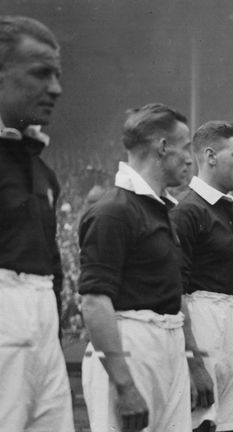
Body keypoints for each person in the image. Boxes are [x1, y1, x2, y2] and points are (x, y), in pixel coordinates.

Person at [78, 103, 194, 432]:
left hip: (166, 345)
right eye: (185, 147)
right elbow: (94, 301)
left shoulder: (158, 209)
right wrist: (124, 386)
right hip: (131, 347)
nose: (189, 158)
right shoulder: (113, 210)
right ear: (162, 146)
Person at [0, 15, 73, 432]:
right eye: (41, 73)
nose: (56, 89)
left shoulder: (42, 171)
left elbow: (55, 268)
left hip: (44, 336)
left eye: (58, 75)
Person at [169, 121, 233, 432]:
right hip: (200, 326)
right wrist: (193, 363)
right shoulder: (187, 212)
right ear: (209, 156)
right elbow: (174, 293)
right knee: (200, 423)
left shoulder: (231, 215)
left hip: (229, 330)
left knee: (230, 425)